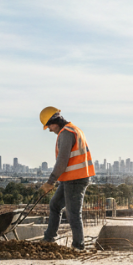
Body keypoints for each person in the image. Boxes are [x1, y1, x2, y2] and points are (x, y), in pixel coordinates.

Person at [39, 107, 95, 250]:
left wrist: (50, 182)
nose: (50, 130)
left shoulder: (66, 133)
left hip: (76, 179)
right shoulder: (74, 129)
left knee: (73, 213)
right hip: (70, 178)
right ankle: (49, 238)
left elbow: (62, 161)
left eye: (49, 126)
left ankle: (78, 246)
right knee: (55, 205)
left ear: (54, 122)